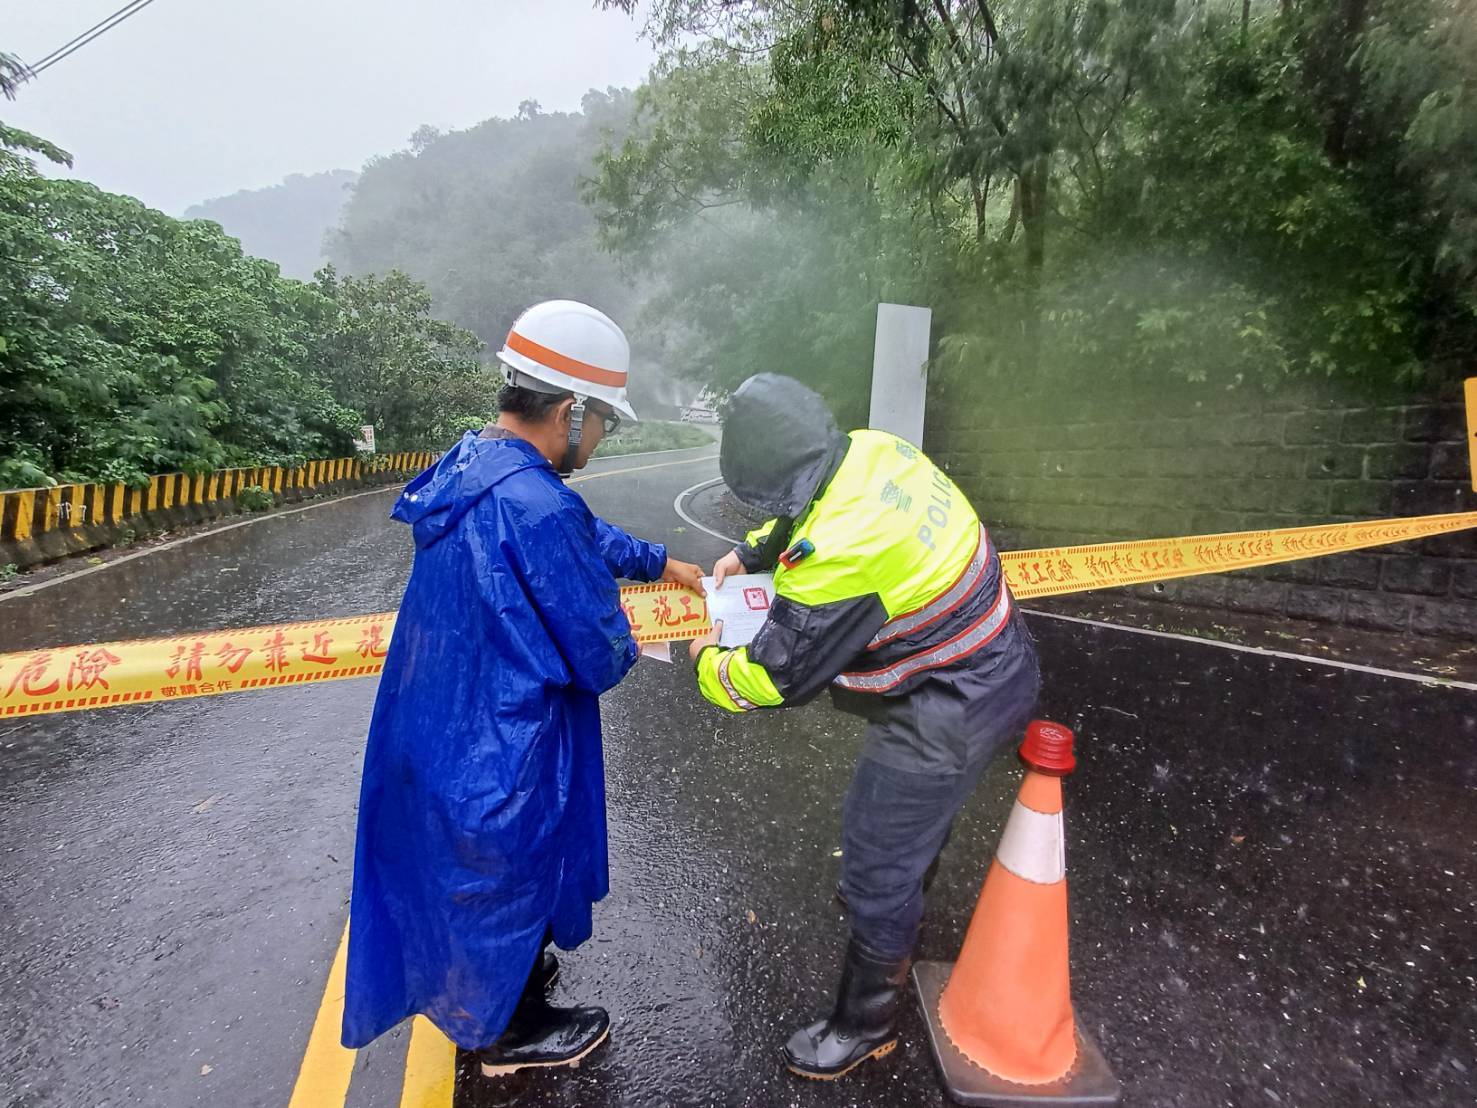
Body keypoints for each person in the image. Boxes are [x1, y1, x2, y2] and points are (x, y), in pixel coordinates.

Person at [342, 300, 703, 1077]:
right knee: (508, 871)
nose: (603, 439)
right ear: (571, 411)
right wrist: (686, 635)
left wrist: (654, 560)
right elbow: (599, 652)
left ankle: (499, 993)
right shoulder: (534, 502)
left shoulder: (474, 463)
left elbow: (571, 528)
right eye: (604, 420)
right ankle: (509, 1032)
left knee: (468, 869)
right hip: (501, 735)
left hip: (436, 715)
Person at [686, 373, 1041, 1081]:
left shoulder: (840, 553)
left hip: (946, 704)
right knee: (907, 830)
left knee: (876, 853)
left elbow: (771, 679)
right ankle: (898, 896)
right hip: (995, 659)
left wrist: (704, 658)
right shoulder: (873, 449)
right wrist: (755, 551)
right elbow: (812, 503)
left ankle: (863, 1024)